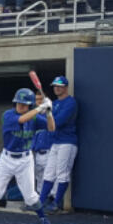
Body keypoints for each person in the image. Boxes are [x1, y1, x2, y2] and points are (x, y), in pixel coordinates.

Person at [0, 88, 54, 224]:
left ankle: (44, 220)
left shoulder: (35, 118)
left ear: (29, 106)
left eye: (24, 104)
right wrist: (40, 107)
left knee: (30, 196)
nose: (21, 106)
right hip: (7, 158)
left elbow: (52, 128)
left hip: (25, 160)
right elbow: (22, 119)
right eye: (19, 103)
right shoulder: (8, 115)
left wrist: (49, 112)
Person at [39, 76, 77, 214]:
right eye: (55, 86)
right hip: (55, 142)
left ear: (65, 87)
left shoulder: (70, 102)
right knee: (48, 173)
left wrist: (47, 112)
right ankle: (40, 202)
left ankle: (56, 203)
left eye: (59, 86)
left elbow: (58, 122)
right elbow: (44, 121)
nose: (56, 88)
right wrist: (44, 110)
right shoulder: (54, 103)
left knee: (62, 173)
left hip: (67, 142)